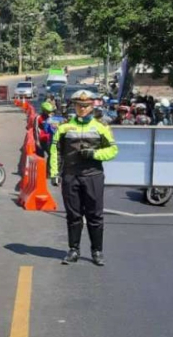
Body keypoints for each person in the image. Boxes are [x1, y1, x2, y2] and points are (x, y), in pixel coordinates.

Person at [50, 90, 119, 266]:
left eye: (86, 105)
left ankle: (97, 251)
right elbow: (55, 150)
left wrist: (94, 154)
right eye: (79, 105)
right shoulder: (64, 127)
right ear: (74, 106)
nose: (82, 108)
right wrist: (54, 173)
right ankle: (73, 250)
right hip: (71, 176)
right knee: (73, 215)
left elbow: (113, 150)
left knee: (95, 215)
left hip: (93, 176)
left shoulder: (101, 126)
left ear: (92, 105)